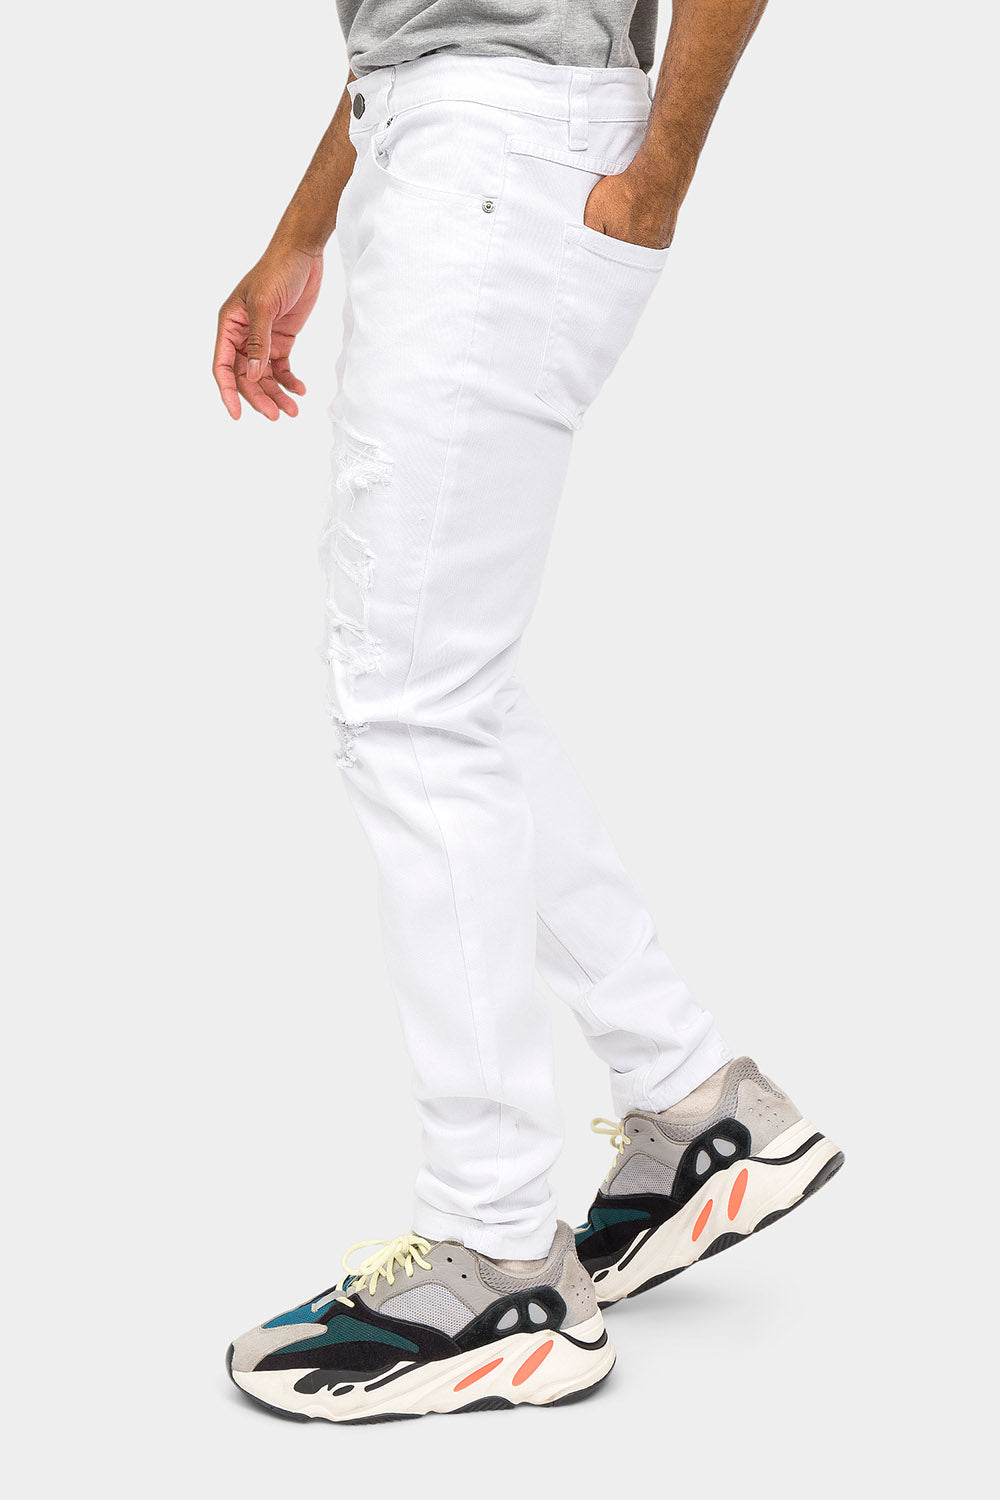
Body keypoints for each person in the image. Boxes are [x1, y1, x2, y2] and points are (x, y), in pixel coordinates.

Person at [215, 0, 842, 1423]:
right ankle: (699, 1112)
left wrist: (659, 183)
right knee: (446, 693)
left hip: (500, 157)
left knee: (409, 708)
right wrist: (310, 221)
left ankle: (499, 1260)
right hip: (447, 144)